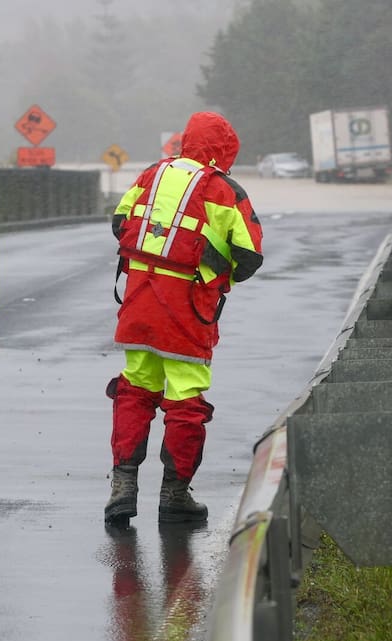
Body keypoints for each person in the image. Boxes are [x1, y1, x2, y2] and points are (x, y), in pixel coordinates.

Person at [104, 111, 264, 525]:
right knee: (185, 400)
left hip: (138, 304)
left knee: (135, 389)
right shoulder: (224, 190)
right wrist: (215, 273)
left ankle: (122, 487)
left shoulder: (151, 175)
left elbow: (120, 223)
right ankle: (174, 493)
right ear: (225, 150)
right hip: (188, 310)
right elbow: (250, 255)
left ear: (186, 141)